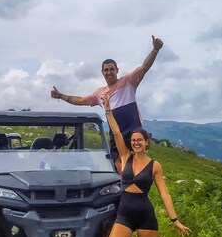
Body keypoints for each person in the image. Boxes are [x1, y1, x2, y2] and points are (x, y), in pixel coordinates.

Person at [88, 95, 191, 237]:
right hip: (124, 215)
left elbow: (164, 193)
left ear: (146, 143)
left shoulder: (155, 166)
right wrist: (107, 110)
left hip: (145, 216)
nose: (135, 142)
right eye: (133, 139)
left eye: (139, 140)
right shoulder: (124, 158)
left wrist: (175, 219)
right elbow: (115, 132)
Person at [50, 36, 163, 165]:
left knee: (138, 171)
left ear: (117, 70)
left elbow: (143, 68)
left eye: (111, 69)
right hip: (116, 137)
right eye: (106, 70)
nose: (109, 72)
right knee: (121, 173)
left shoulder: (128, 81)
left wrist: (155, 50)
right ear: (102, 72)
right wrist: (60, 96)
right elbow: (80, 100)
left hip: (134, 135)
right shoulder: (100, 93)